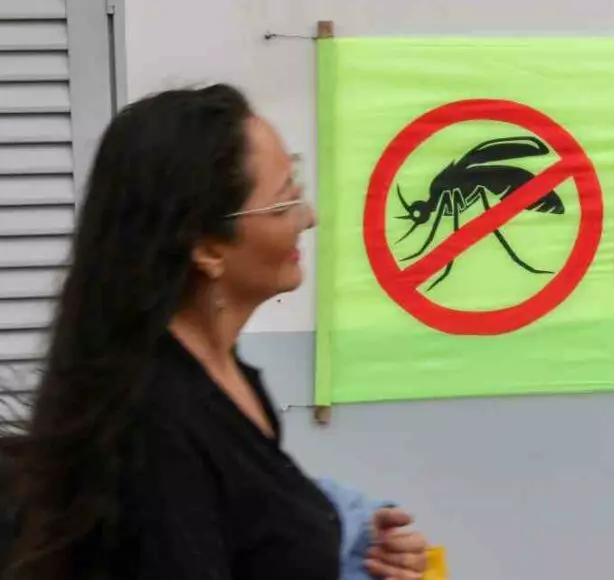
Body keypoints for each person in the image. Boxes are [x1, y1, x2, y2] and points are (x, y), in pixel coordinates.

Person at [3, 84, 429, 580]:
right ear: (207, 249)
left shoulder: (225, 372)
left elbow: (252, 527)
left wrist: (353, 544)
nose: (308, 218)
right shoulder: (156, 428)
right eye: (283, 204)